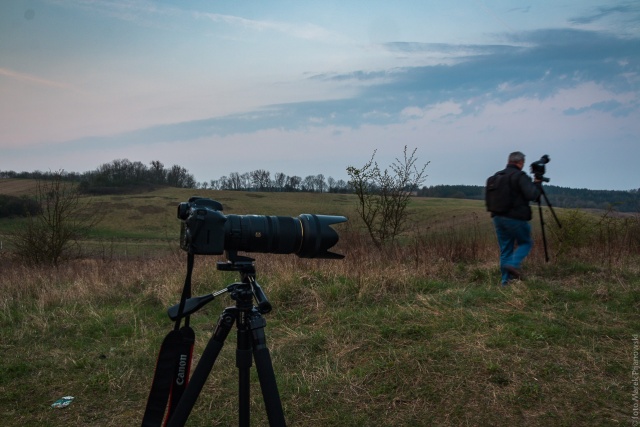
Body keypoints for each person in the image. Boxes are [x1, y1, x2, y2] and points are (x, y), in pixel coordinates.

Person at [490, 151, 541, 286]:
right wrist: (537, 183)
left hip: (497, 217)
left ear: (508, 161)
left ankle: (505, 282)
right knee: (526, 243)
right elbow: (533, 195)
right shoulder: (519, 176)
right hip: (515, 218)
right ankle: (513, 264)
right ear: (520, 163)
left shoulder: (497, 176)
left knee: (506, 249)